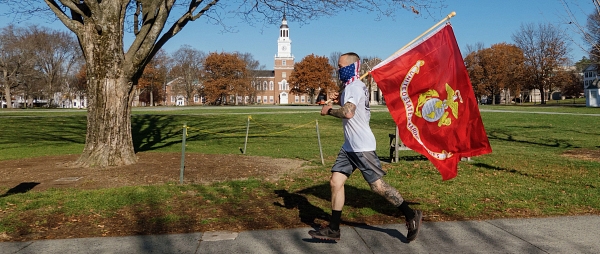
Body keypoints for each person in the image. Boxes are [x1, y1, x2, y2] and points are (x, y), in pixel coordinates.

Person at [308, 52, 423, 242]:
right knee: (335, 182)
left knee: (378, 186)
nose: (337, 70)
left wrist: (329, 111)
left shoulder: (354, 86)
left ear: (350, 67)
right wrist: (340, 98)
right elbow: (351, 106)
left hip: (361, 146)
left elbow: (349, 113)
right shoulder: (352, 86)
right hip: (349, 147)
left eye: (340, 66)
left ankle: (411, 215)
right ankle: (334, 228)